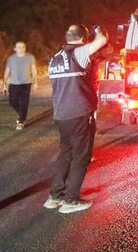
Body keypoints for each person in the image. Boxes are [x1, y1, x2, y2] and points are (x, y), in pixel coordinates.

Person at [43, 25, 108, 214]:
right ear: (82, 38)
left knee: (66, 153)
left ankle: (55, 196)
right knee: (82, 156)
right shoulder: (78, 53)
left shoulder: (54, 58)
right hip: (79, 113)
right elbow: (102, 40)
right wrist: (98, 31)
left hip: (61, 114)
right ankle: (70, 200)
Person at [3, 41, 38, 130]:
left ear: (25, 48)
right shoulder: (11, 59)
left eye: (23, 47)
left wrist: (36, 82)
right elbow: (7, 71)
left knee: (24, 102)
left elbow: (34, 69)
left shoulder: (30, 57)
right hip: (14, 83)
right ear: (15, 49)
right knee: (12, 101)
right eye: (18, 47)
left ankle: (21, 121)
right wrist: (4, 84)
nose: (21, 49)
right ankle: (21, 114)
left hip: (26, 83)